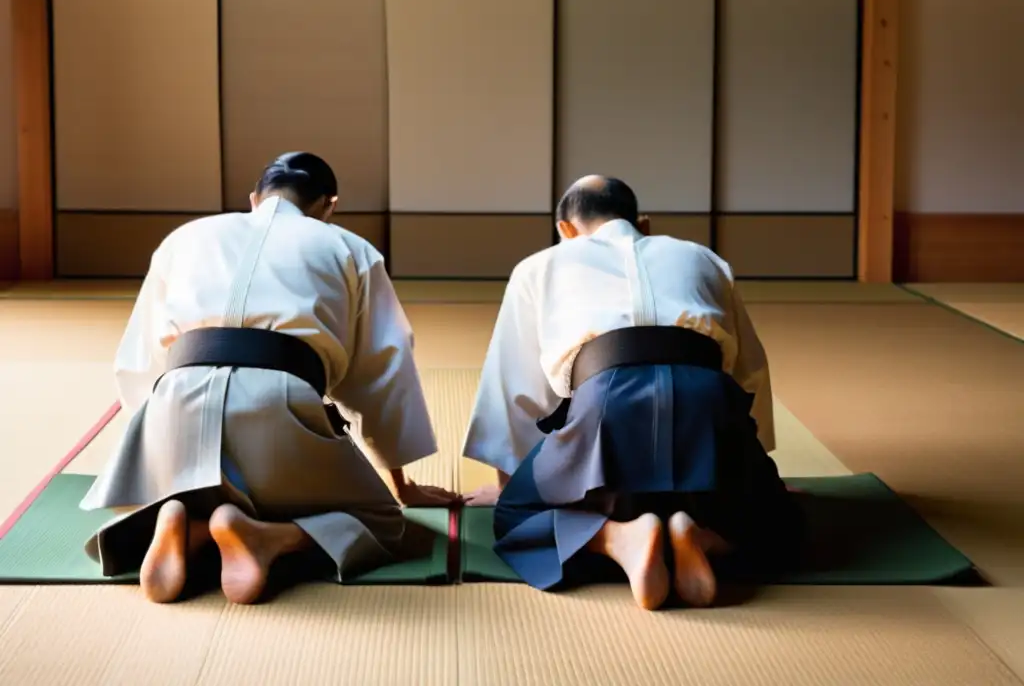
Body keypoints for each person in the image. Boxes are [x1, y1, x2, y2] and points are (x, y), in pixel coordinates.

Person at [80, 152, 457, 605]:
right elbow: (381, 371)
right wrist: (401, 484)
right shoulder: (348, 248)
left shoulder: (185, 237)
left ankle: (184, 521)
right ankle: (267, 538)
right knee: (384, 522)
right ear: (328, 205)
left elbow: (138, 360)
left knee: (202, 476)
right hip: (279, 402)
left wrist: (148, 453)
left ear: (254, 198)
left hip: (173, 401)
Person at [461, 175, 803, 611]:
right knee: (780, 522)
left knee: (513, 519)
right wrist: (760, 471)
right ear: (643, 222)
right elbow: (749, 372)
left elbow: (514, 386)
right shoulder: (703, 258)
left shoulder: (540, 265)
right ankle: (699, 533)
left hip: (605, 402)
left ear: (565, 230)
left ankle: (620, 538)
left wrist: (510, 488)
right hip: (707, 400)